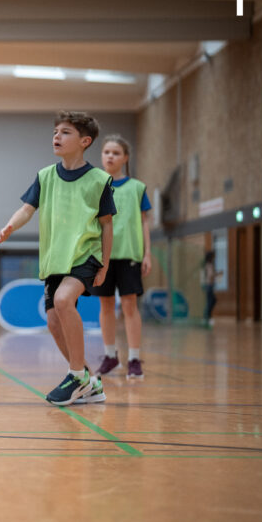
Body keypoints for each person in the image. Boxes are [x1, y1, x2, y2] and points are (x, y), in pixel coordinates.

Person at [0, 111, 115, 406]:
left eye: (65, 132)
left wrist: (105, 265)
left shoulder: (99, 180)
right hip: (54, 259)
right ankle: (88, 380)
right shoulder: (45, 176)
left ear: (84, 141)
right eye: (55, 132)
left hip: (85, 254)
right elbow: (26, 209)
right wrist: (10, 224)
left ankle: (75, 375)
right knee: (53, 321)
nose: (56, 137)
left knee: (63, 301)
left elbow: (107, 225)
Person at [90, 135, 151, 381]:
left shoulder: (137, 188)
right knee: (105, 305)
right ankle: (110, 356)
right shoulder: (94, 185)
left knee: (129, 305)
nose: (110, 156)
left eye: (116, 152)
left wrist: (147, 253)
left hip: (129, 254)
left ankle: (134, 358)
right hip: (102, 256)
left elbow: (145, 222)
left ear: (125, 158)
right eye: (106, 152)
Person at [202, 250, 218, 328]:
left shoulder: (208, 265)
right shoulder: (209, 265)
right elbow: (211, 275)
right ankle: (206, 316)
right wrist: (216, 275)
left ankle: (207, 316)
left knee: (212, 300)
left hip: (209, 285)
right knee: (210, 301)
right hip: (209, 285)